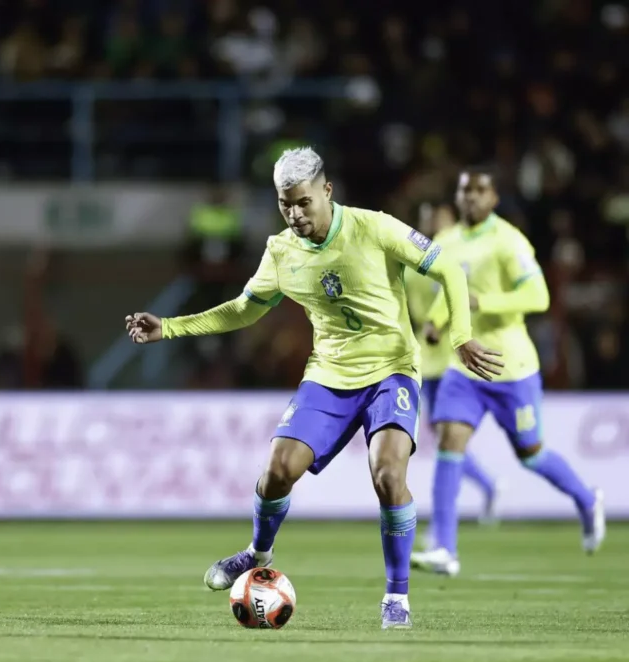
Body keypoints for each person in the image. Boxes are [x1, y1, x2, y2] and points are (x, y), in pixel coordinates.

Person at [125, 147, 502, 629]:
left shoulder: (374, 227)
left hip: (391, 372)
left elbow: (446, 267)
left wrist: (461, 336)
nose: (295, 214)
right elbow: (244, 309)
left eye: (304, 202)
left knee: (389, 475)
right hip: (328, 376)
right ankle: (257, 553)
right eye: (286, 204)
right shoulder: (281, 251)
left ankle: (397, 597)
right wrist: (170, 327)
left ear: (326, 191)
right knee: (277, 471)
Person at [411, 170, 605, 577]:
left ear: (494, 198)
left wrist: (483, 302)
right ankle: (444, 547)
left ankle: (587, 500)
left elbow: (538, 295)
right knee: (448, 440)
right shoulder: (446, 241)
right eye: (465, 191)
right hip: (465, 366)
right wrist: (435, 320)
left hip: (510, 366)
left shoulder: (509, 241)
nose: (471, 197)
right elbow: (450, 289)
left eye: (480, 191)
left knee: (531, 455)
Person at [404, 202, 499, 549]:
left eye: (438, 218)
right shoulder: (412, 268)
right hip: (427, 360)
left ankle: (444, 526)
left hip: (455, 361)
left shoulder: (460, 260)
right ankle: (485, 487)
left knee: (447, 440)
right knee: (443, 440)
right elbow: (414, 313)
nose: (433, 224)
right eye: (427, 219)